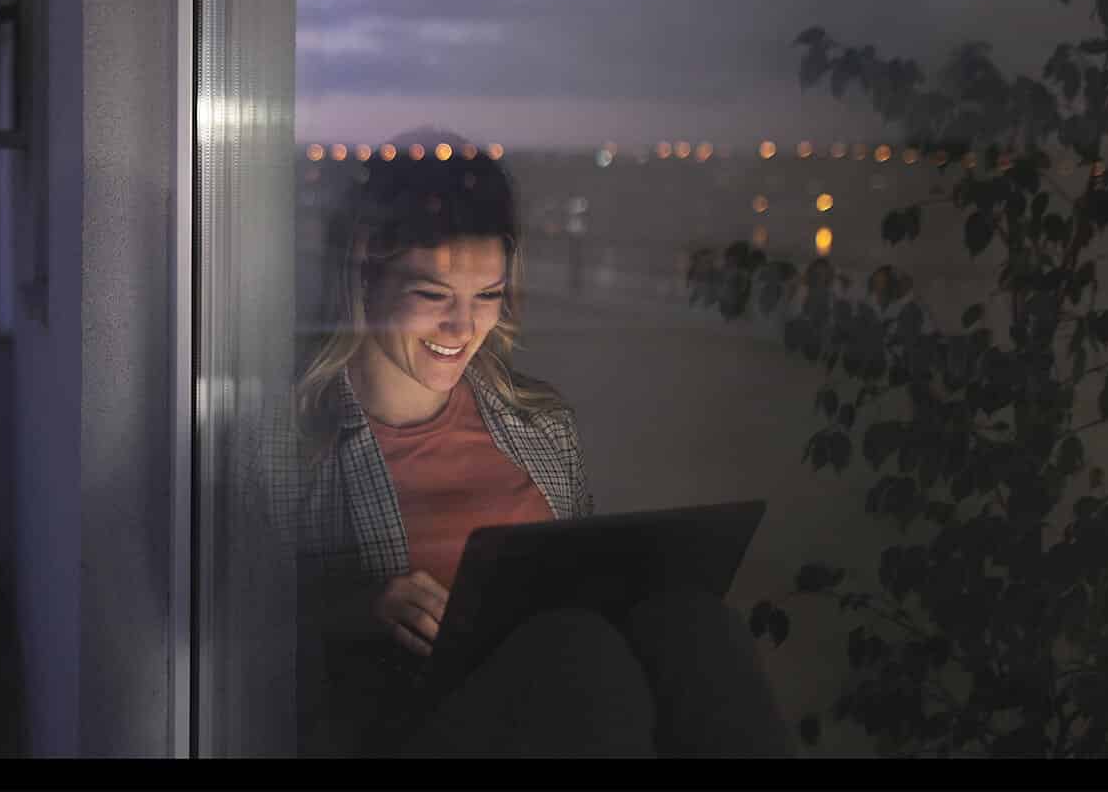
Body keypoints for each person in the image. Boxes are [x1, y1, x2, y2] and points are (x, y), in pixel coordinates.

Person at [278, 130, 794, 758]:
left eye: (487, 297)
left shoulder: (540, 426)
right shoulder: (291, 440)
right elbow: (215, 628)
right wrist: (362, 607)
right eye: (432, 296)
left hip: (569, 716)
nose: (462, 329)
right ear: (366, 275)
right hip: (408, 727)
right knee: (577, 654)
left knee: (690, 621)